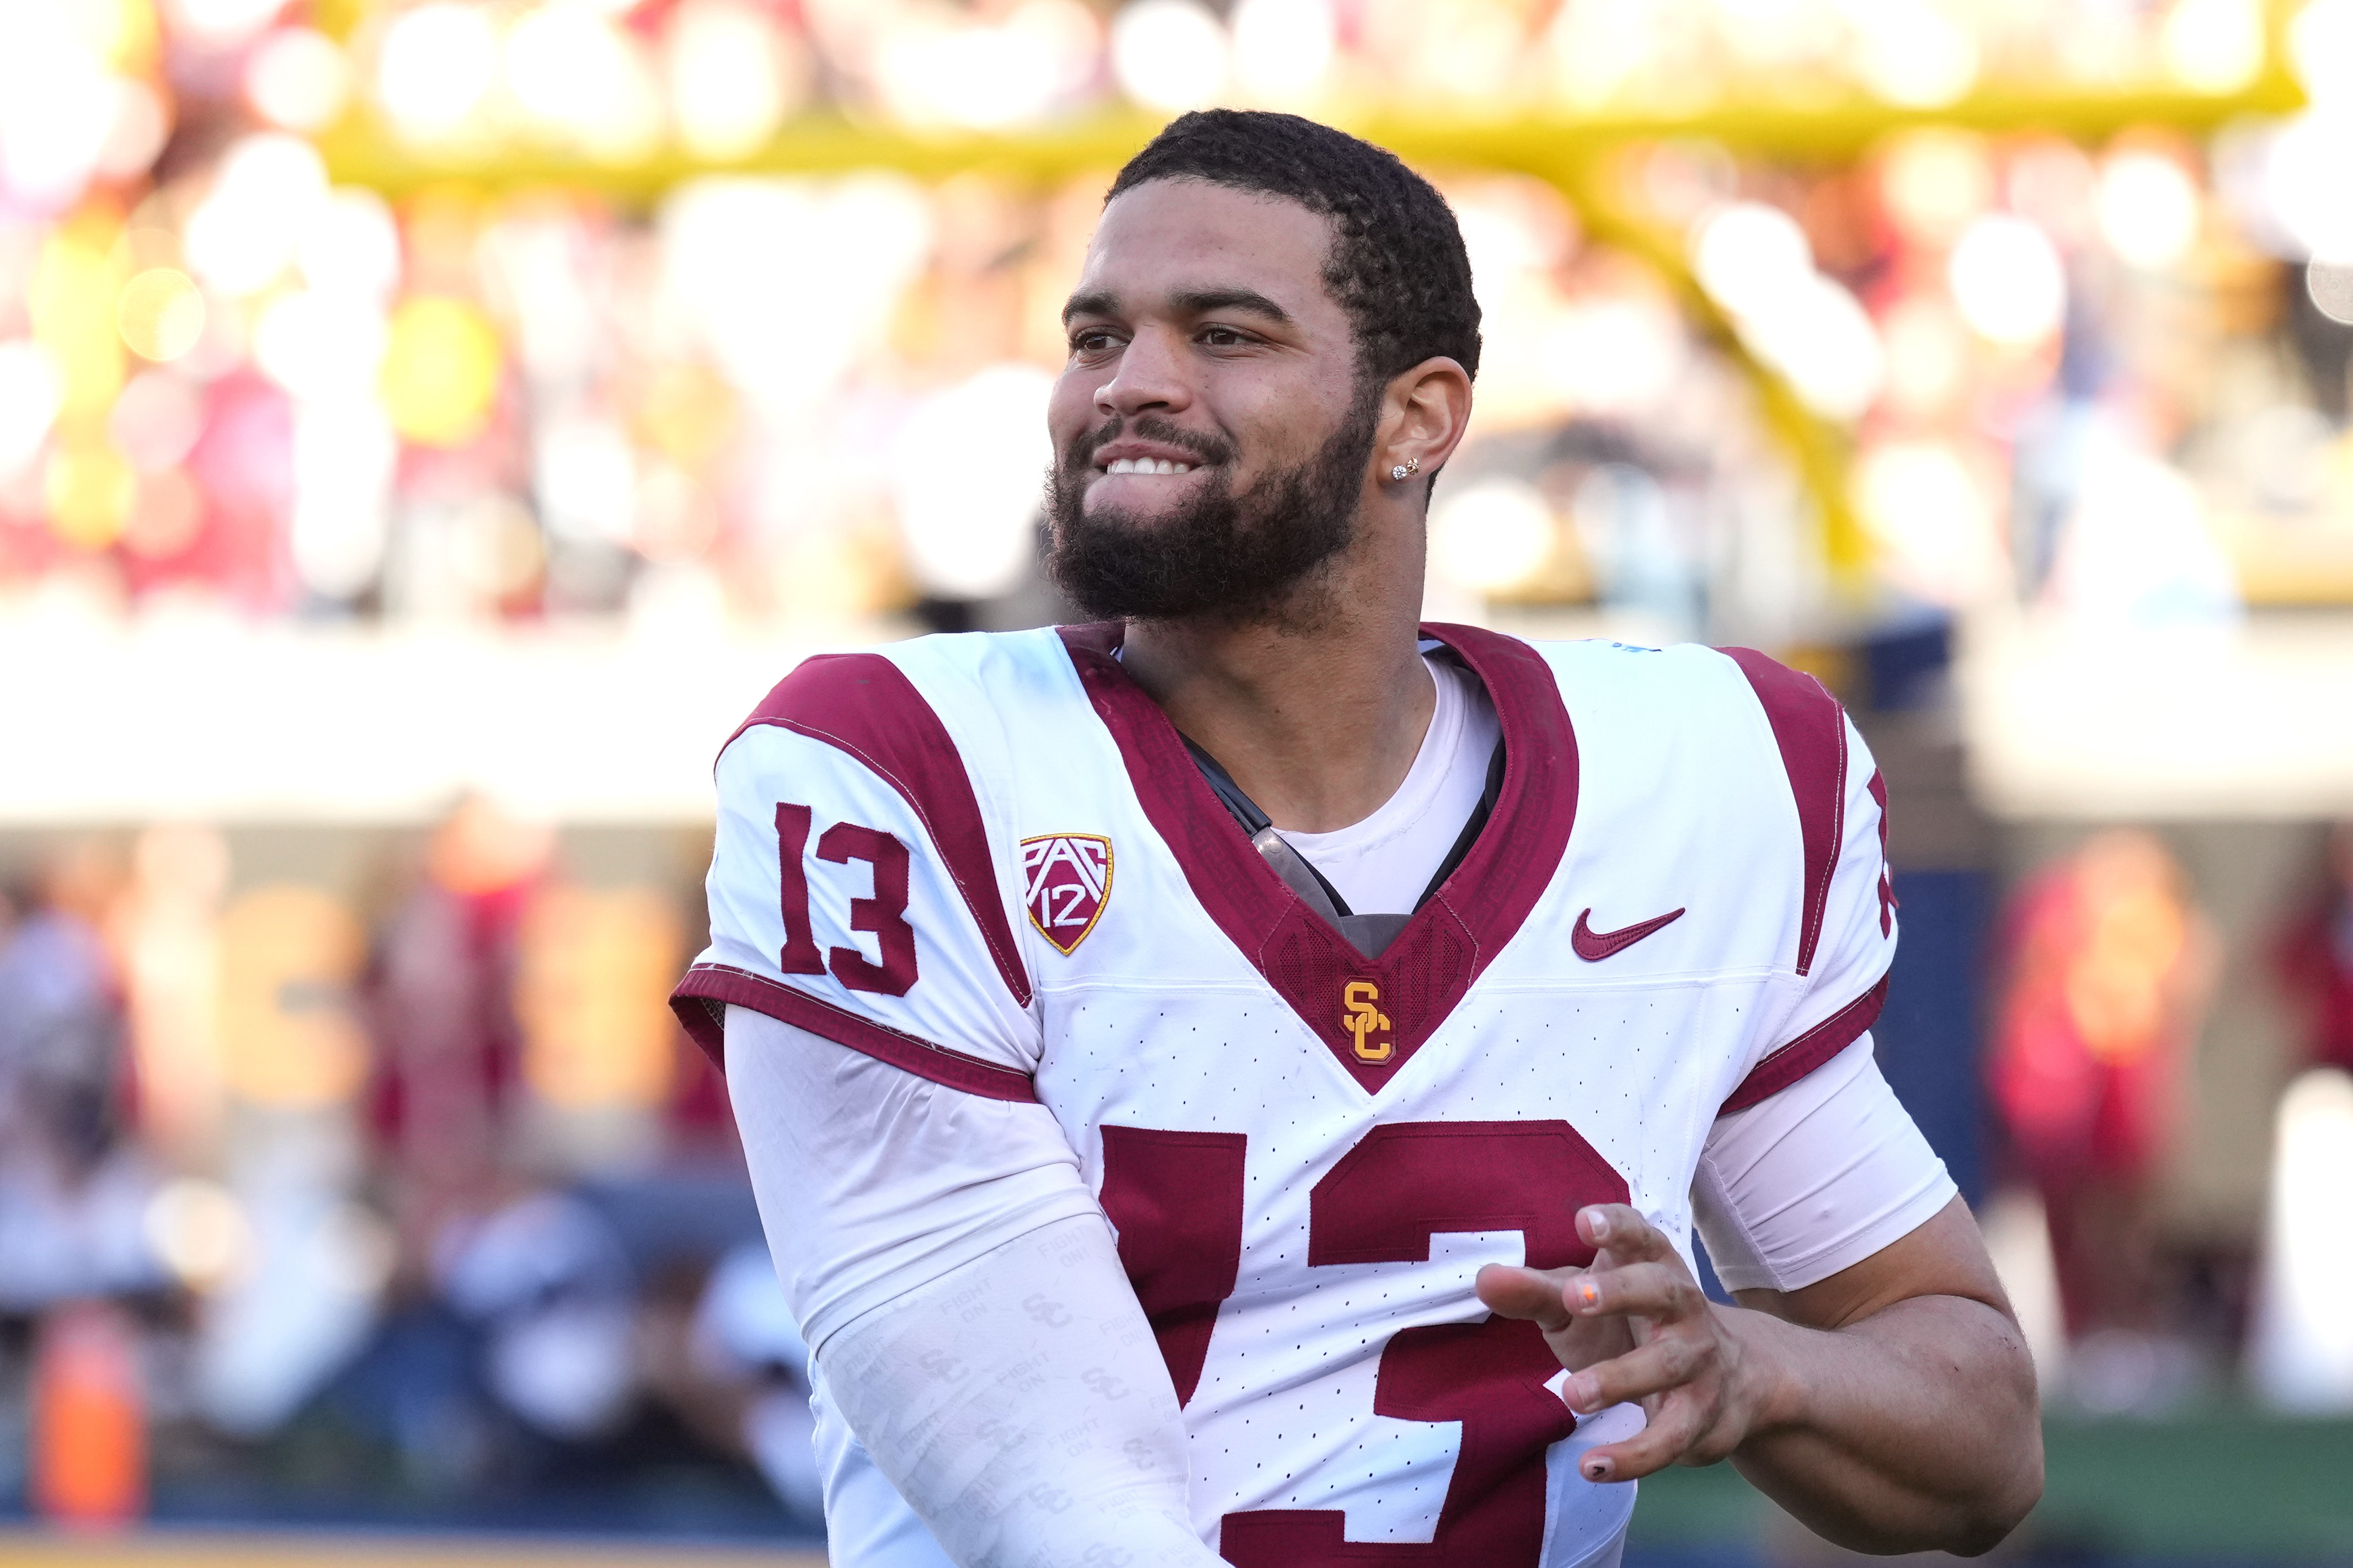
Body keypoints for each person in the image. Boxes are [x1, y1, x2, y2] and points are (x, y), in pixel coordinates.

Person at [674, 111, 2041, 1567]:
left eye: (1225, 334)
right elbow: (1065, 1510)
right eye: (1094, 335)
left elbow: (1976, 1445)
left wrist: (1762, 1372)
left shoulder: (1700, 779)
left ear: (1420, 416)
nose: (1128, 384)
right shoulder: (902, 769)